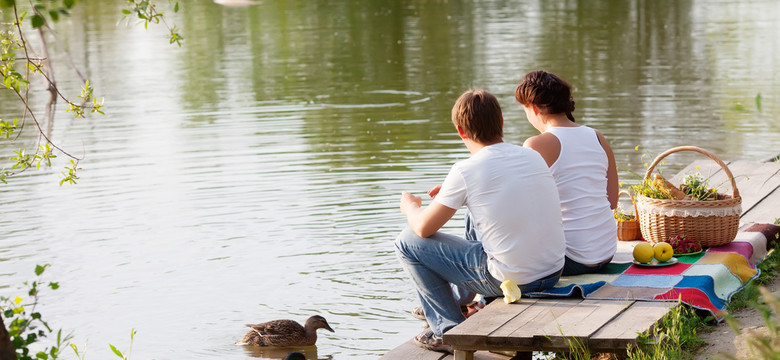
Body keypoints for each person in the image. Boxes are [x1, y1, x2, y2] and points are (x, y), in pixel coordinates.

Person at [394, 89, 566, 352]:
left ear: (461, 131)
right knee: (473, 209)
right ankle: (463, 300)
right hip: (552, 272)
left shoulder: (465, 170)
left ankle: (448, 331)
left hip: (514, 280)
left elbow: (422, 228)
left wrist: (410, 206)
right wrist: (457, 194)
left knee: (406, 242)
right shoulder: (531, 155)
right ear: (501, 123)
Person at [514, 70, 618, 276]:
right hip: (606, 253)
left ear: (533, 108)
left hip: (569, 259)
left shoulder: (536, 144)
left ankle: (481, 299)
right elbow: (612, 201)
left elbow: (518, 207)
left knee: (480, 215)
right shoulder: (597, 137)